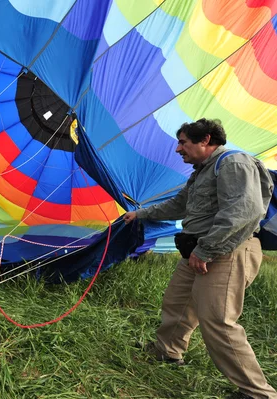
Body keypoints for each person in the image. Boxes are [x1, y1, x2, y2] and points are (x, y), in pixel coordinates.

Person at [124, 119, 276, 399]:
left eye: (183, 142)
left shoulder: (233, 163)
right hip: (199, 251)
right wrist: (141, 213)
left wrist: (206, 250)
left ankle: (258, 393)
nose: (177, 149)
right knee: (178, 301)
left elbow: (244, 211)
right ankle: (167, 351)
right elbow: (178, 204)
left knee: (218, 321)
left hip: (227, 251)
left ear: (205, 139)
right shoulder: (201, 173)